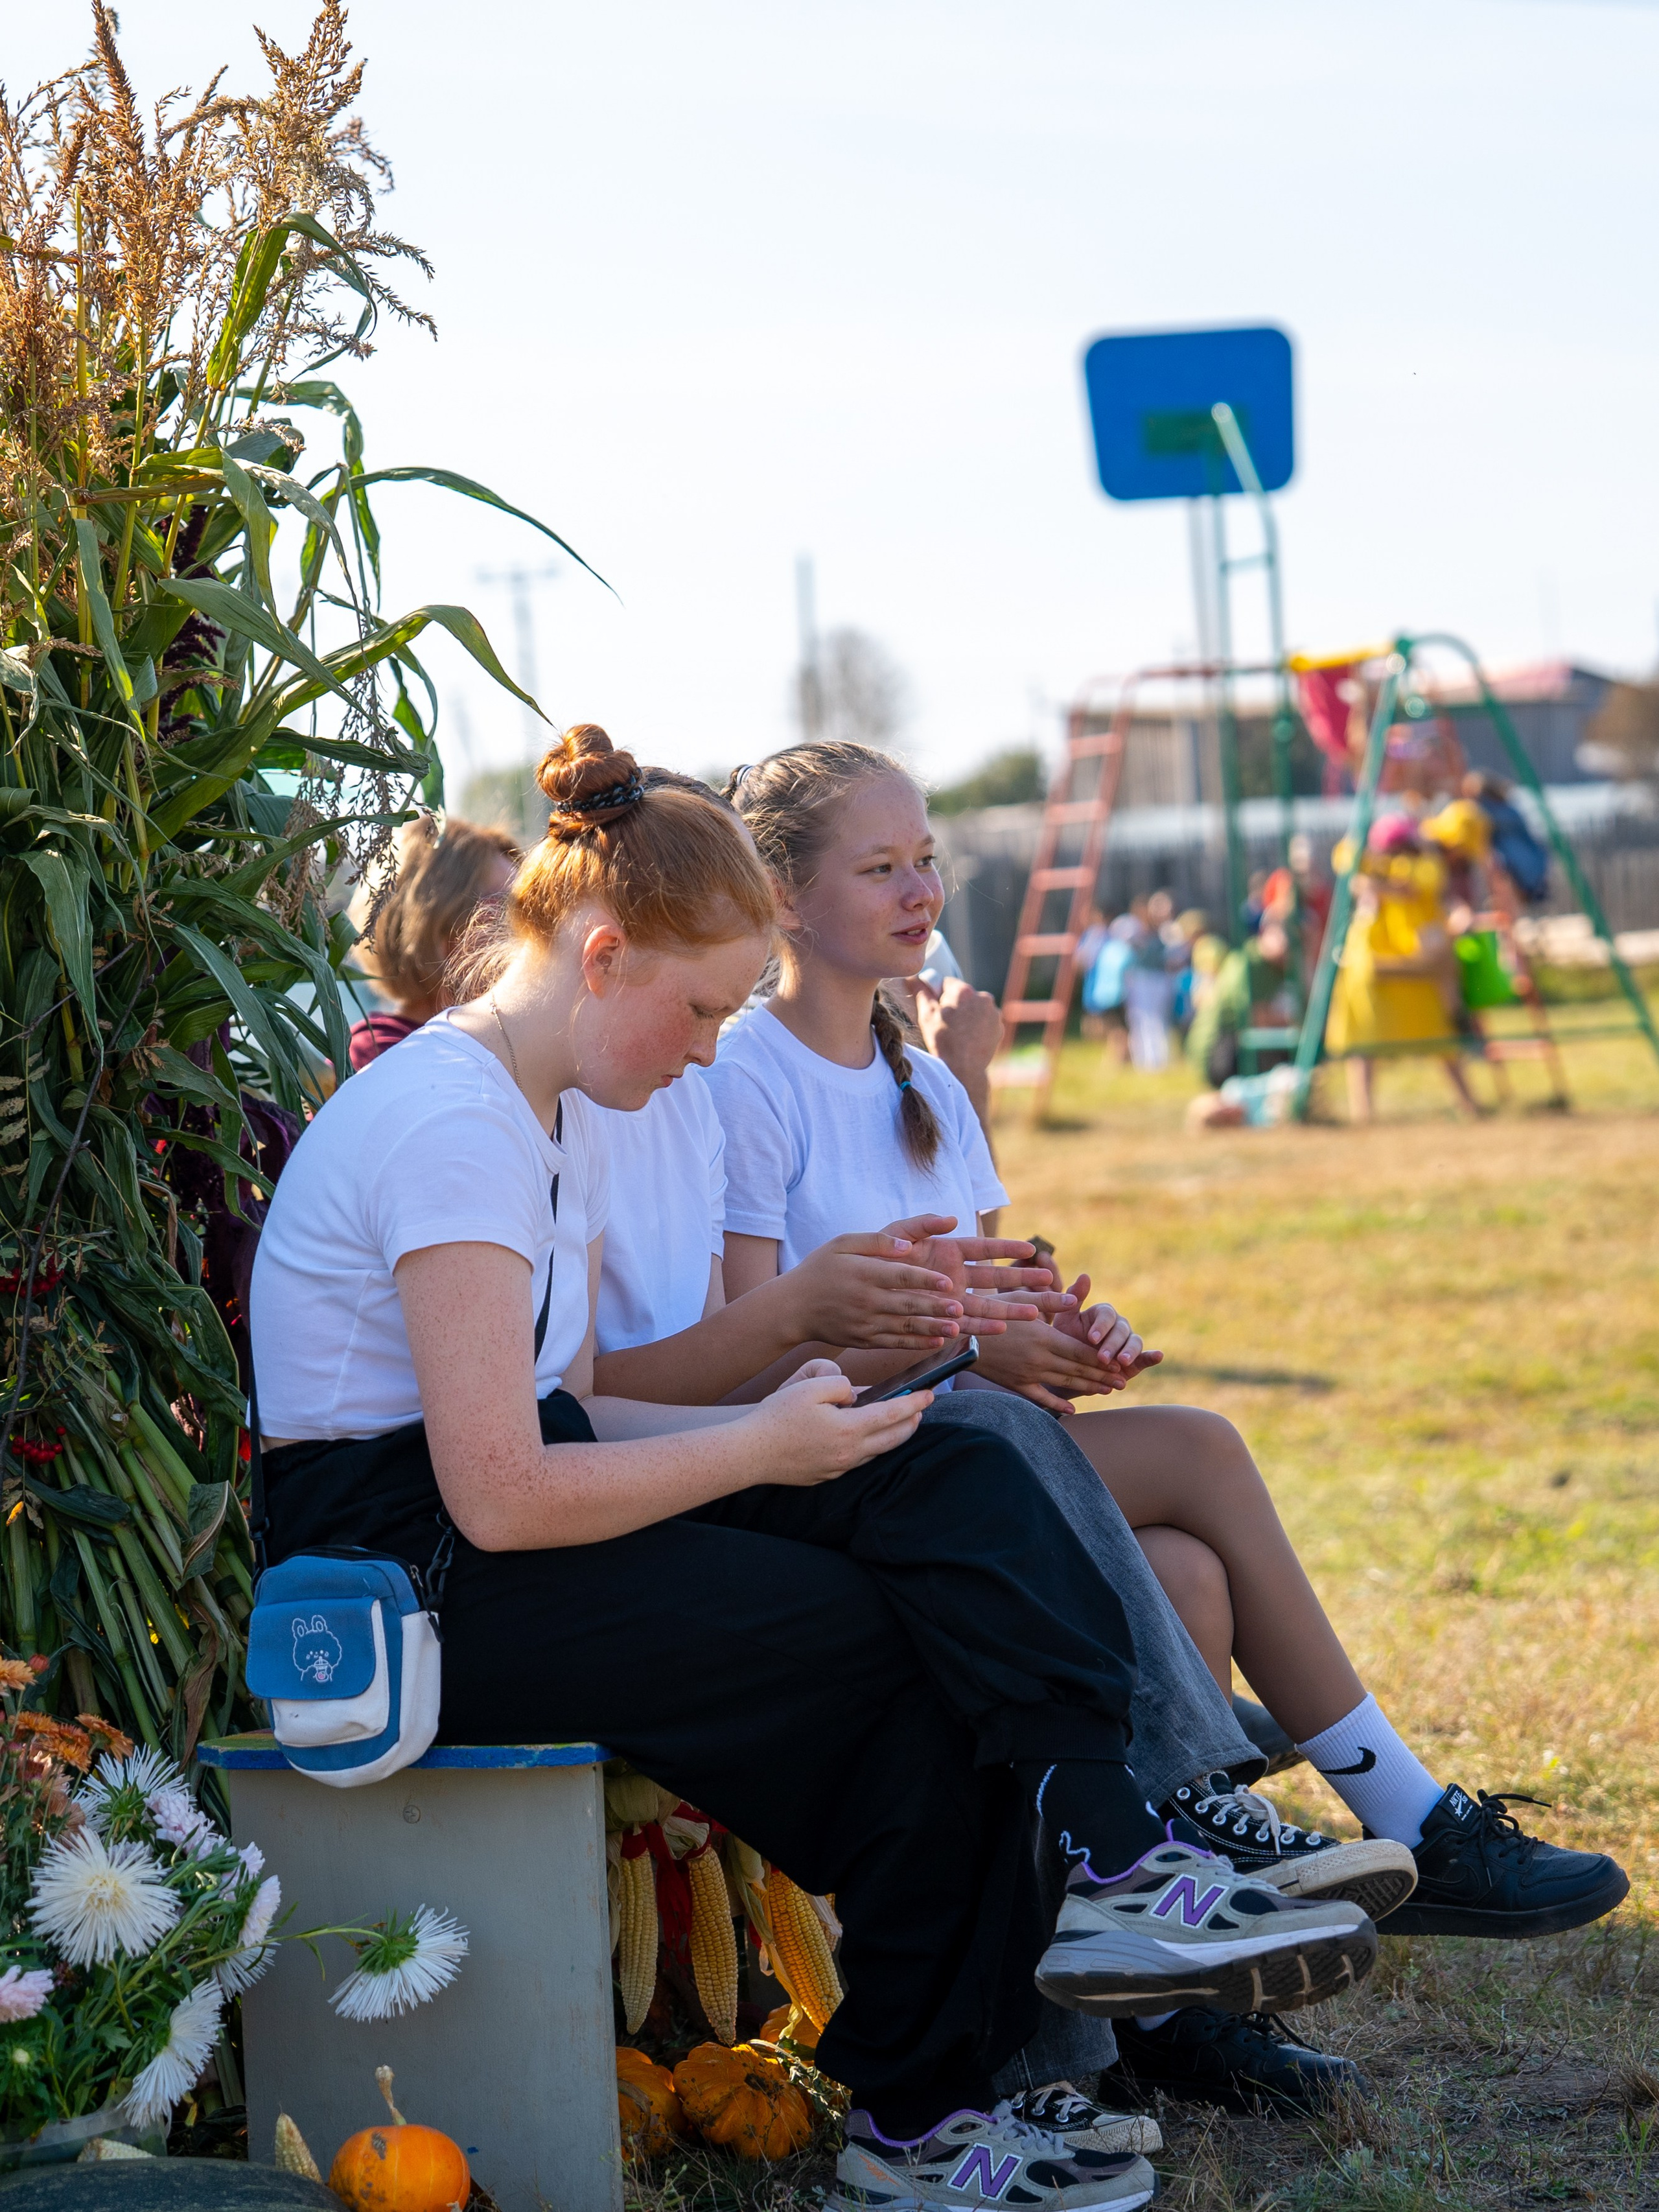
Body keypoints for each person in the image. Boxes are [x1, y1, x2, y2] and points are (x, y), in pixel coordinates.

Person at [250, 725, 1372, 2211]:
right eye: (703, 1007)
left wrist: (821, 1433)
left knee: (944, 1443)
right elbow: (498, 1494)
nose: (712, 1045)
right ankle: (919, 2116)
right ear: (602, 961)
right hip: (415, 1579)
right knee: (882, 1650)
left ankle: (1112, 1840)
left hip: (495, 1520)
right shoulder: (453, 1124)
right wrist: (760, 1444)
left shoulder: (543, 1107)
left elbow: (567, 1414)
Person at [699, 738, 1627, 1994]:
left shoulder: (924, 1077)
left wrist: (1057, 1338)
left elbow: (986, 1300)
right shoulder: (746, 1076)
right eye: (879, 866)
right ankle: (1408, 1816)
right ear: (781, 896)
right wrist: (972, 1342)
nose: (920, 889)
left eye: (926, 857)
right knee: (1200, 1448)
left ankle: (1185, 1990)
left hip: (963, 1442)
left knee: (1188, 1572)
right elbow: (756, 1344)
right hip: (857, 1472)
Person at [1325, 815, 1485, 1124]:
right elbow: (1343, 855)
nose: (1397, 855)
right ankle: (1363, 1113)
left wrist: (1378, 883)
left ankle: (1469, 1105)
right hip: (1378, 964)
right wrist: (1373, 875)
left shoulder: (1424, 866)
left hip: (1417, 965)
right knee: (1365, 1040)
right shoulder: (1370, 864)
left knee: (1441, 1037)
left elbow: (1419, 882)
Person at [345, 817, 520, 1069]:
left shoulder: (491, 1048)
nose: (530, 928)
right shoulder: (378, 1060)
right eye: (504, 908)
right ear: (433, 925)